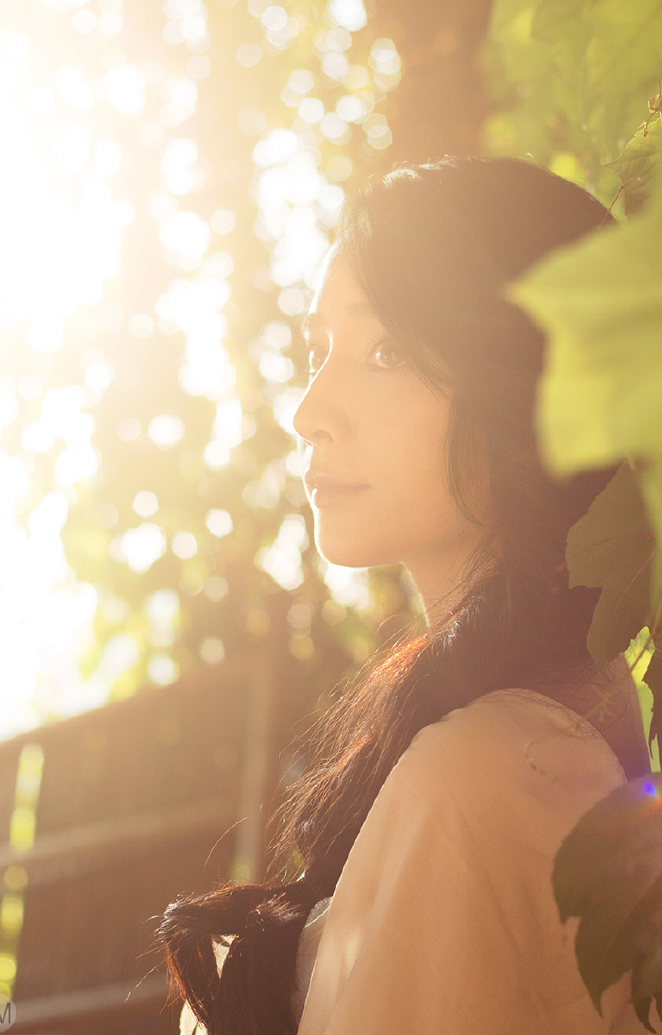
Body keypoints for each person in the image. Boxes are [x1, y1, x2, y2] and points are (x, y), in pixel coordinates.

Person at [159, 157, 651, 1035]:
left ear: (526, 381)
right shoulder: (487, 740)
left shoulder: (483, 775)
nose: (310, 409)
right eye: (319, 350)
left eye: (385, 349)